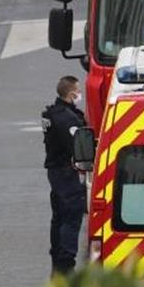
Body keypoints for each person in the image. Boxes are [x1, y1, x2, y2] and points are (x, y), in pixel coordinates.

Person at [43, 76, 88, 276]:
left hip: (55, 171)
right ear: (71, 95)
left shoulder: (52, 113)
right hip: (64, 171)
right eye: (77, 92)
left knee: (59, 215)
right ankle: (66, 262)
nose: (80, 95)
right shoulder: (66, 118)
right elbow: (79, 146)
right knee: (71, 215)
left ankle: (58, 258)